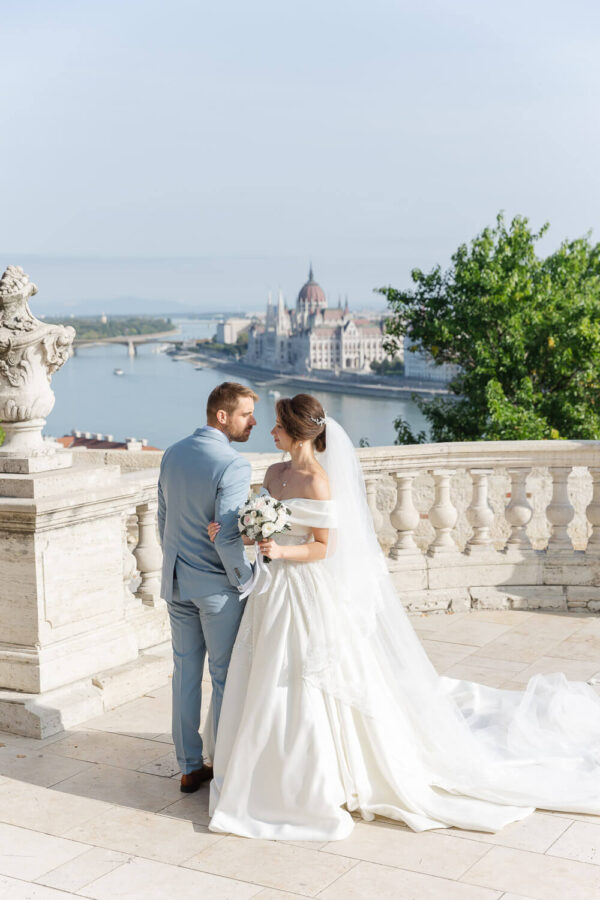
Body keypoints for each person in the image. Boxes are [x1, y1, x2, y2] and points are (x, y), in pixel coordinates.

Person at [204, 392, 600, 840]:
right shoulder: (273, 472)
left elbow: (322, 547)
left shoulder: (318, 481)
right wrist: (235, 528)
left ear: (296, 432)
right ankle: (254, 765)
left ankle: (309, 778)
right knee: (261, 672)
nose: (269, 430)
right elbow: (259, 519)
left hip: (303, 589)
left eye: (276, 424)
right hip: (271, 591)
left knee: (302, 678)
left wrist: (282, 550)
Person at [157, 381, 258, 793]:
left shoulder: (172, 453)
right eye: (246, 414)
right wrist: (247, 579)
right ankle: (224, 765)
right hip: (217, 587)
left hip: (176, 581)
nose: (253, 421)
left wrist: (175, 568)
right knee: (224, 677)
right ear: (222, 416)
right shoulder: (232, 464)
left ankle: (188, 766)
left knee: (184, 673)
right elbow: (229, 535)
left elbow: (163, 520)